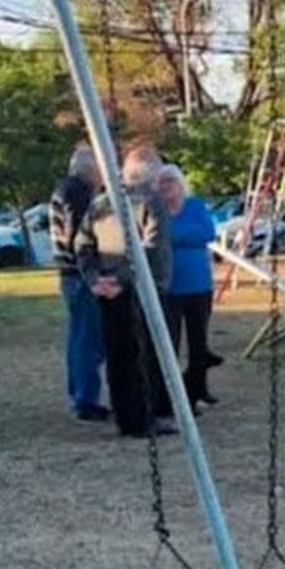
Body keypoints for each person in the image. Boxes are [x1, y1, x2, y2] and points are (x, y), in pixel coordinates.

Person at [76, 144, 175, 438]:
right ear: (151, 173)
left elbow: (82, 245)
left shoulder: (100, 203)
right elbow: (151, 248)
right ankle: (143, 418)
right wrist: (118, 279)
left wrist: (96, 279)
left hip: (107, 291)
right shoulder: (150, 203)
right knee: (143, 355)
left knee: (118, 355)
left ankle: (125, 416)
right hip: (140, 289)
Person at [50, 146, 110, 422]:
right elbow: (79, 233)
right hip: (81, 274)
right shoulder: (78, 193)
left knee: (79, 337)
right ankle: (85, 398)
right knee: (89, 339)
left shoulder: (63, 189)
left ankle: (80, 395)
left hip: (68, 273)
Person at [158, 164, 221, 413]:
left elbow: (207, 232)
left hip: (199, 285)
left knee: (199, 343)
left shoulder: (195, 206)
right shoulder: (157, 210)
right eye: (161, 182)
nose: (166, 187)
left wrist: (173, 235)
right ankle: (172, 393)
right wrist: (182, 235)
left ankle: (197, 389)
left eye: (171, 181)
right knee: (170, 342)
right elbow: (156, 236)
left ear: (180, 183)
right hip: (170, 287)